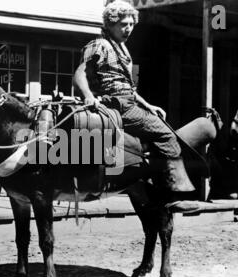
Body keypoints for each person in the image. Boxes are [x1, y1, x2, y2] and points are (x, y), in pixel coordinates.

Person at [73, 0, 195, 199]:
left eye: (131, 24)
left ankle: (149, 181)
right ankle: (175, 193)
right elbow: (80, 74)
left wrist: (148, 106)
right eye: (123, 24)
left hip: (128, 102)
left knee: (155, 131)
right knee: (167, 135)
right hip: (118, 106)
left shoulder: (121, 48)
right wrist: (88, 96)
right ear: (110, 24)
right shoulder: (99, 45)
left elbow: (128, 88)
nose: (128, 29)